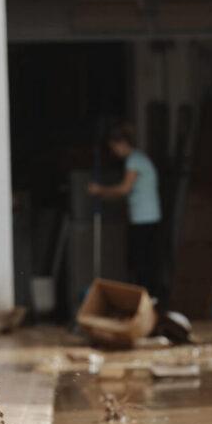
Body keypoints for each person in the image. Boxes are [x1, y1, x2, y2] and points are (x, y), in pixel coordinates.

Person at [87, 124, 162, 298]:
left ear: (121, 143)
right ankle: (148, 297)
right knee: (143, 259)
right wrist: (103, 196)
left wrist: (100, 190)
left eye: (114, 148)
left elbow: (124, 189)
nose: (114, 153)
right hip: (145, 217)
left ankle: (149, 299)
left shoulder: (135, 160)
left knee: (143, 261)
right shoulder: (139, 159)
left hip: (145, 218)